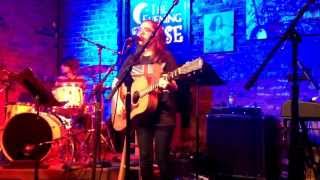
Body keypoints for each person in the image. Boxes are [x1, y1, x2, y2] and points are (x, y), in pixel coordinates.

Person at [114, 20, 178, 180]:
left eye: (146, 30)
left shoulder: (165, 57)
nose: (140, 32)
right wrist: (120, 102)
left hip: (163, 114)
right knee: (145, 159)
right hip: (142, 115)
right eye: (140, 29)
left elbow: (175, 85)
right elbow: (116, 82)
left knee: (162, 159)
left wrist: (167, 84)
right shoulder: (133, 59)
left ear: (155, 35)